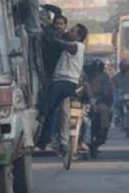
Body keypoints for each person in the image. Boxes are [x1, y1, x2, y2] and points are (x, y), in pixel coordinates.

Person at [36, 24, 89, 153]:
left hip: (65, 81)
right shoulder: (74, 45)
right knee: (53, 110)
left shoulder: (77, 46)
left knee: (50, 100)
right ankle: (45, 138)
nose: (69, 32)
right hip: (66, 82)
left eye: (72, 31)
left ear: (79, 35)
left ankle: (42, 114)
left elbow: (64, 44)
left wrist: (51, 37)